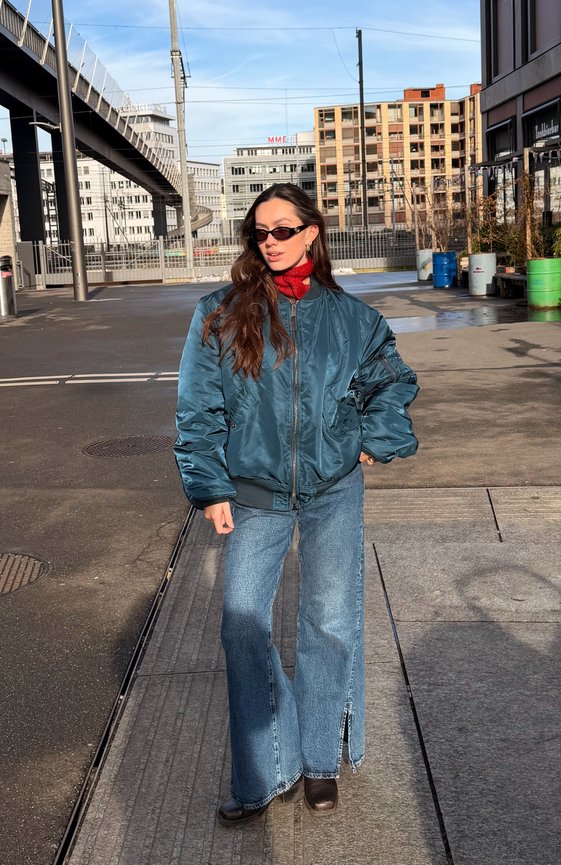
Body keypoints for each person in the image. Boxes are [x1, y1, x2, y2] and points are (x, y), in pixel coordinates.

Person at [174, 183, 419, 826]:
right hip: (254, 496)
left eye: (284, 230)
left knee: (330, 624)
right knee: (241, 623)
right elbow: (198, 409)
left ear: (313, 232)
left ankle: (317, 763)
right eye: (261, 233)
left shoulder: (353, 319)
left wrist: (376, 437)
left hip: (333, 491)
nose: (272, 243)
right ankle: (265, 767)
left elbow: (390, 381)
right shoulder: (220, 313)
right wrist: (210, 486)